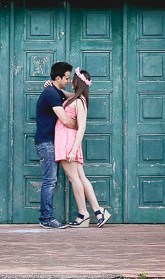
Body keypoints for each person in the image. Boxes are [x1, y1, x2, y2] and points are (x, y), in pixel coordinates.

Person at [54, 69, 109, 228]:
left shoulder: (79, 101)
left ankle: (84, 213)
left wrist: (72, 150)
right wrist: (54, 86)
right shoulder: (76, 98)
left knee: (74, 178)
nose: (70, 81)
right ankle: (98, 211)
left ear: (78, 82)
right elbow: (65, 93)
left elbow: (82, 127)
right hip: (68, 141)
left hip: (68, 143)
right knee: (81, 178)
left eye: (73, 79)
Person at [35, 61, 76, 228]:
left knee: (50, 180)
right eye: (66, 78)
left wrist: (76, 87)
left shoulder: (55, 91)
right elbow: (65, 120)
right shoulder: (51, 93)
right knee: (49, 181)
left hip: (51, 143)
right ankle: (46, 219)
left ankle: (47, 217)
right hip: (46, 143)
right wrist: (79, 126)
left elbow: (74, 96)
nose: (68, 81)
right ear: (58, 77)